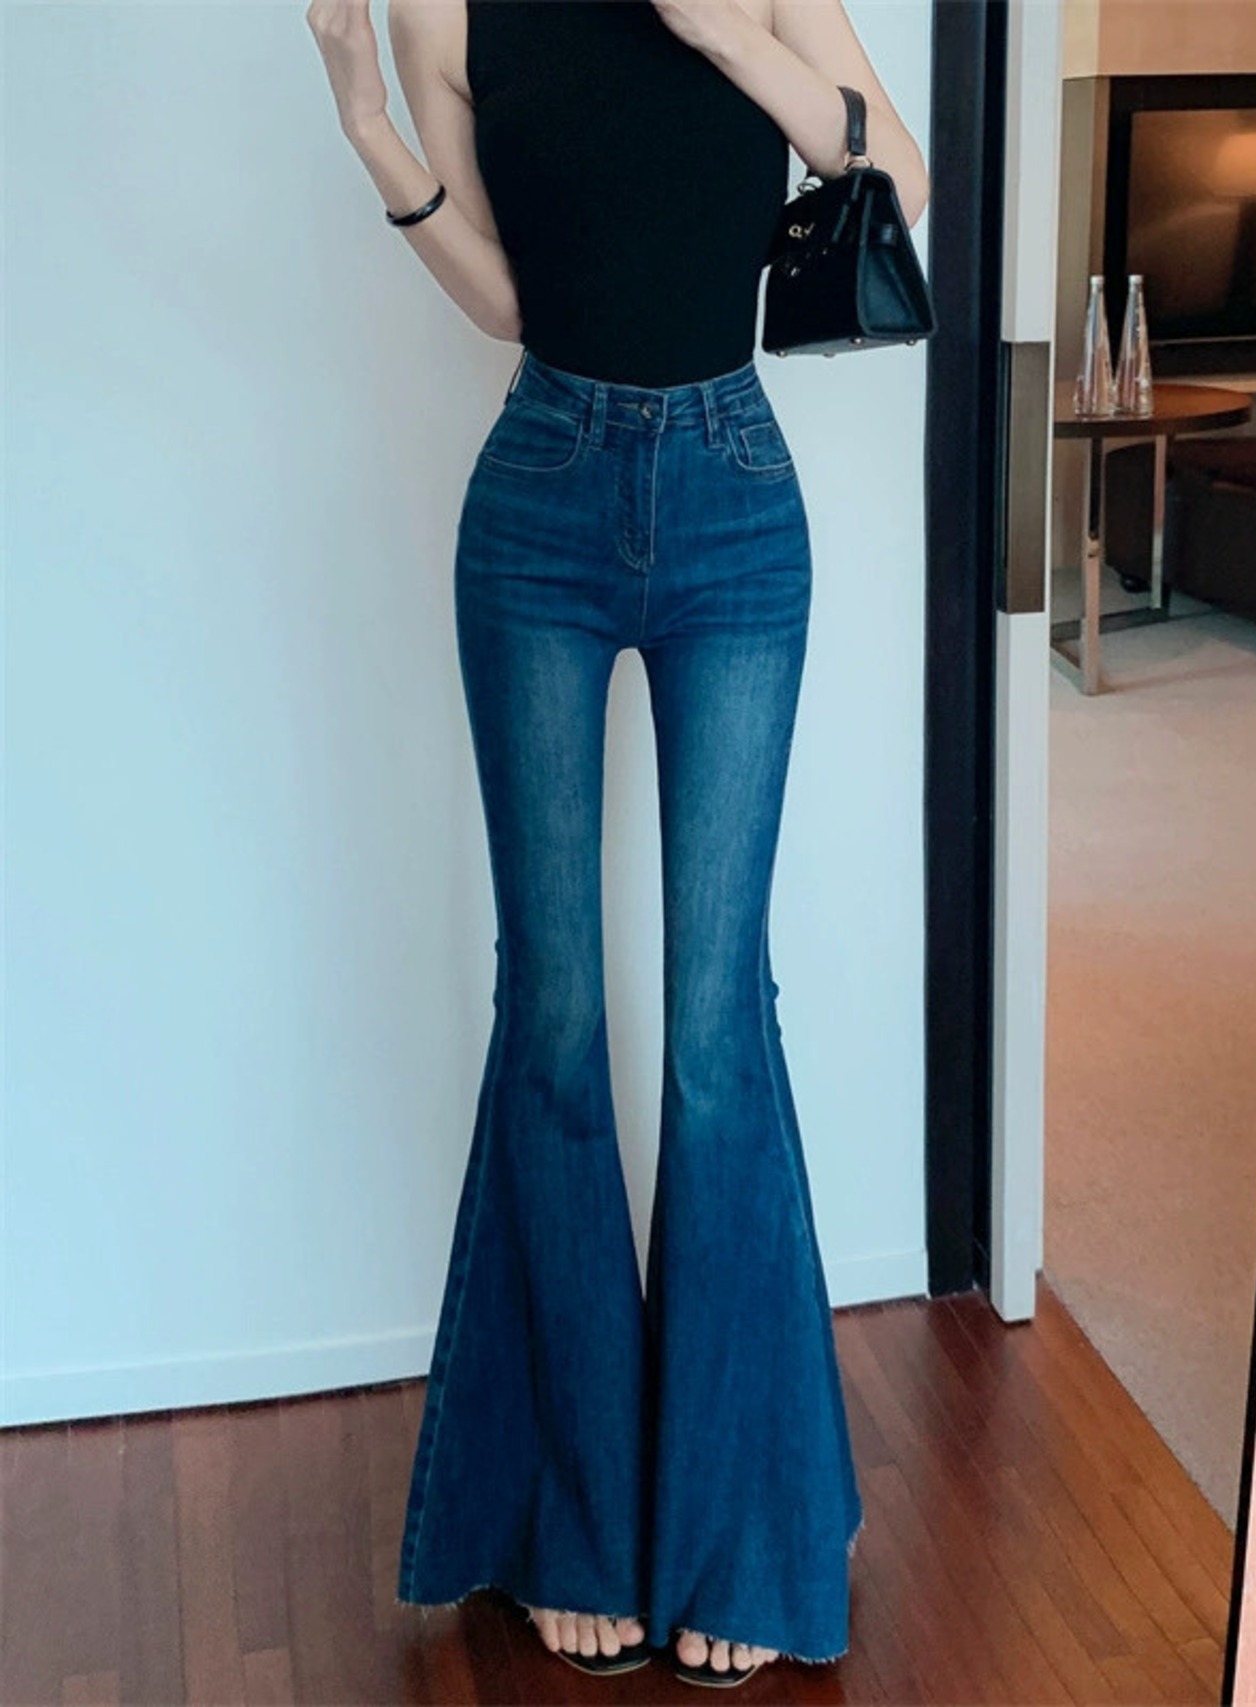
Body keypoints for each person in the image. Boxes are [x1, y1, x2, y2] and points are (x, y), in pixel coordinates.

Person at [307, 0, 929, 1687]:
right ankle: (574, 1524)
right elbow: (509, 297)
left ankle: (741, 1532)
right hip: (542, 499)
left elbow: (898, 179)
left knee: (719, 1035)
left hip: (735, 495)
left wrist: (728, 34)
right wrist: (367, 120)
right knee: (556, 1018)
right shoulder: (443, 6)